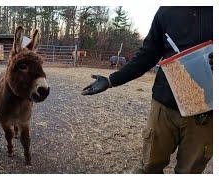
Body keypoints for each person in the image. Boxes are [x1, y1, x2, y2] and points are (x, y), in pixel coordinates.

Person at [82, 6, 213, 174]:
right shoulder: (167, 11)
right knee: (149, 166)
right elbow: (148, 54)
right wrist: (111, 80)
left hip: (206, 109)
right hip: (164, 105)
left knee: (191, 171)